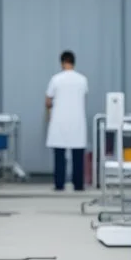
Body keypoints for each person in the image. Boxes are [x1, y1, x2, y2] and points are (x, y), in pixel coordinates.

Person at [46, 51, 89, 191]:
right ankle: (78, 184)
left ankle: (59, 184)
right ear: (73, 62)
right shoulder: (82, 79)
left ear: (62, 62)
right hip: (77, 120)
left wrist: (49, 110)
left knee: (59, 154)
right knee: (78, 155)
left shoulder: (56, 79)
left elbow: (48, 100)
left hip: (59, 120)